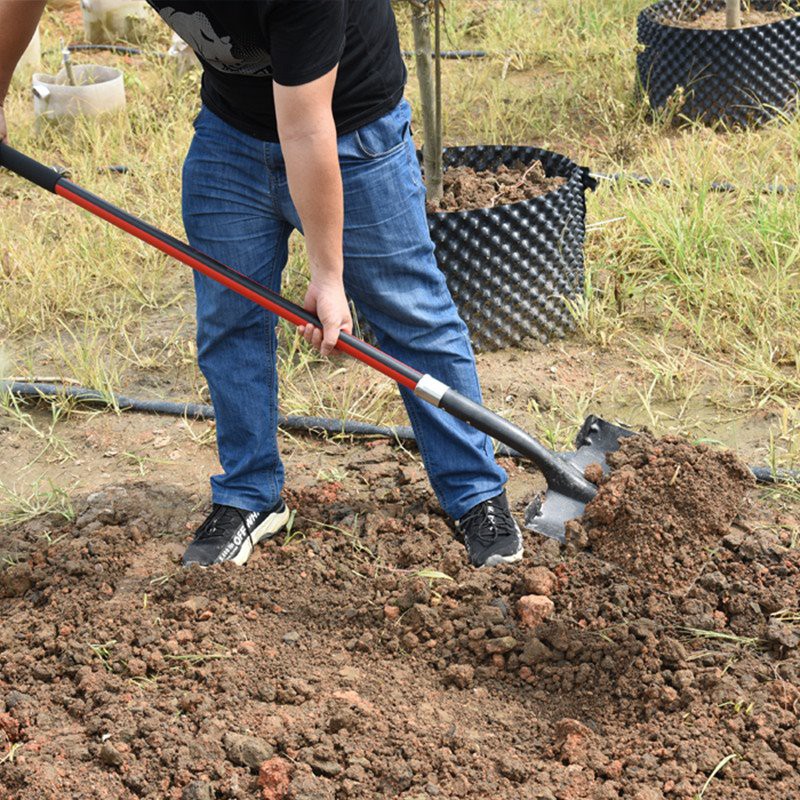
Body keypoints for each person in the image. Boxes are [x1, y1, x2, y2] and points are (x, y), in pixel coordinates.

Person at [0, 0, 523, 569]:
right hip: (231, 132)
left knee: (410, 310)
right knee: (229, 320)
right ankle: (249, 495)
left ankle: (476, 492)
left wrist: (328, 274)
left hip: (350, 133)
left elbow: (303, 128)